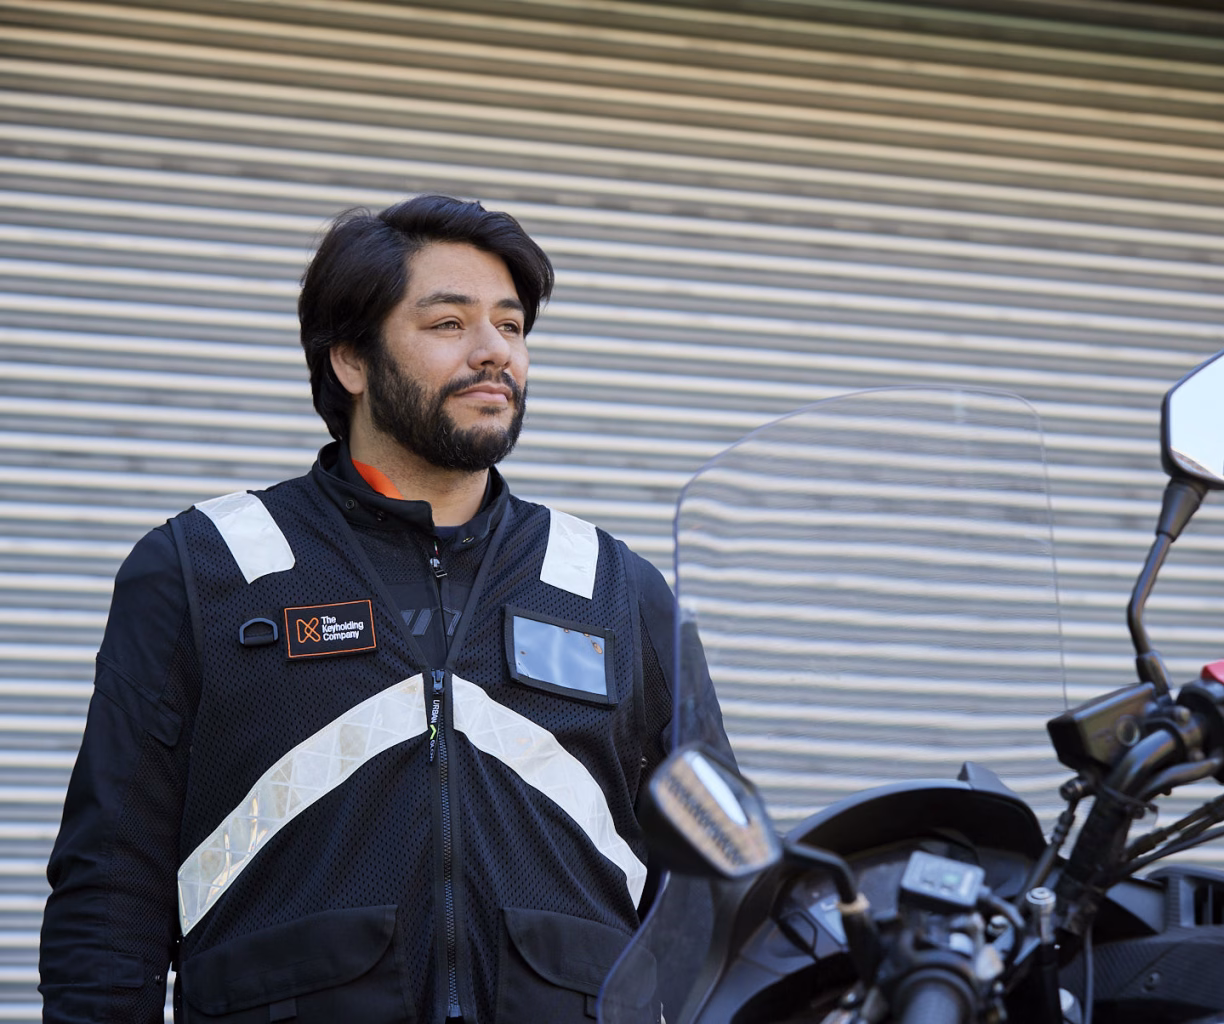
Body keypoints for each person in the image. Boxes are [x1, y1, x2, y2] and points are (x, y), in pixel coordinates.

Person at [39, 195, 718, 1023]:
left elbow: (715, 881)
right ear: (351, 360)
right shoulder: (208, 567)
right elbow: (111, 882)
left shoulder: (614, 588)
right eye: (447, 324)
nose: (492, 352)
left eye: (510, 326)